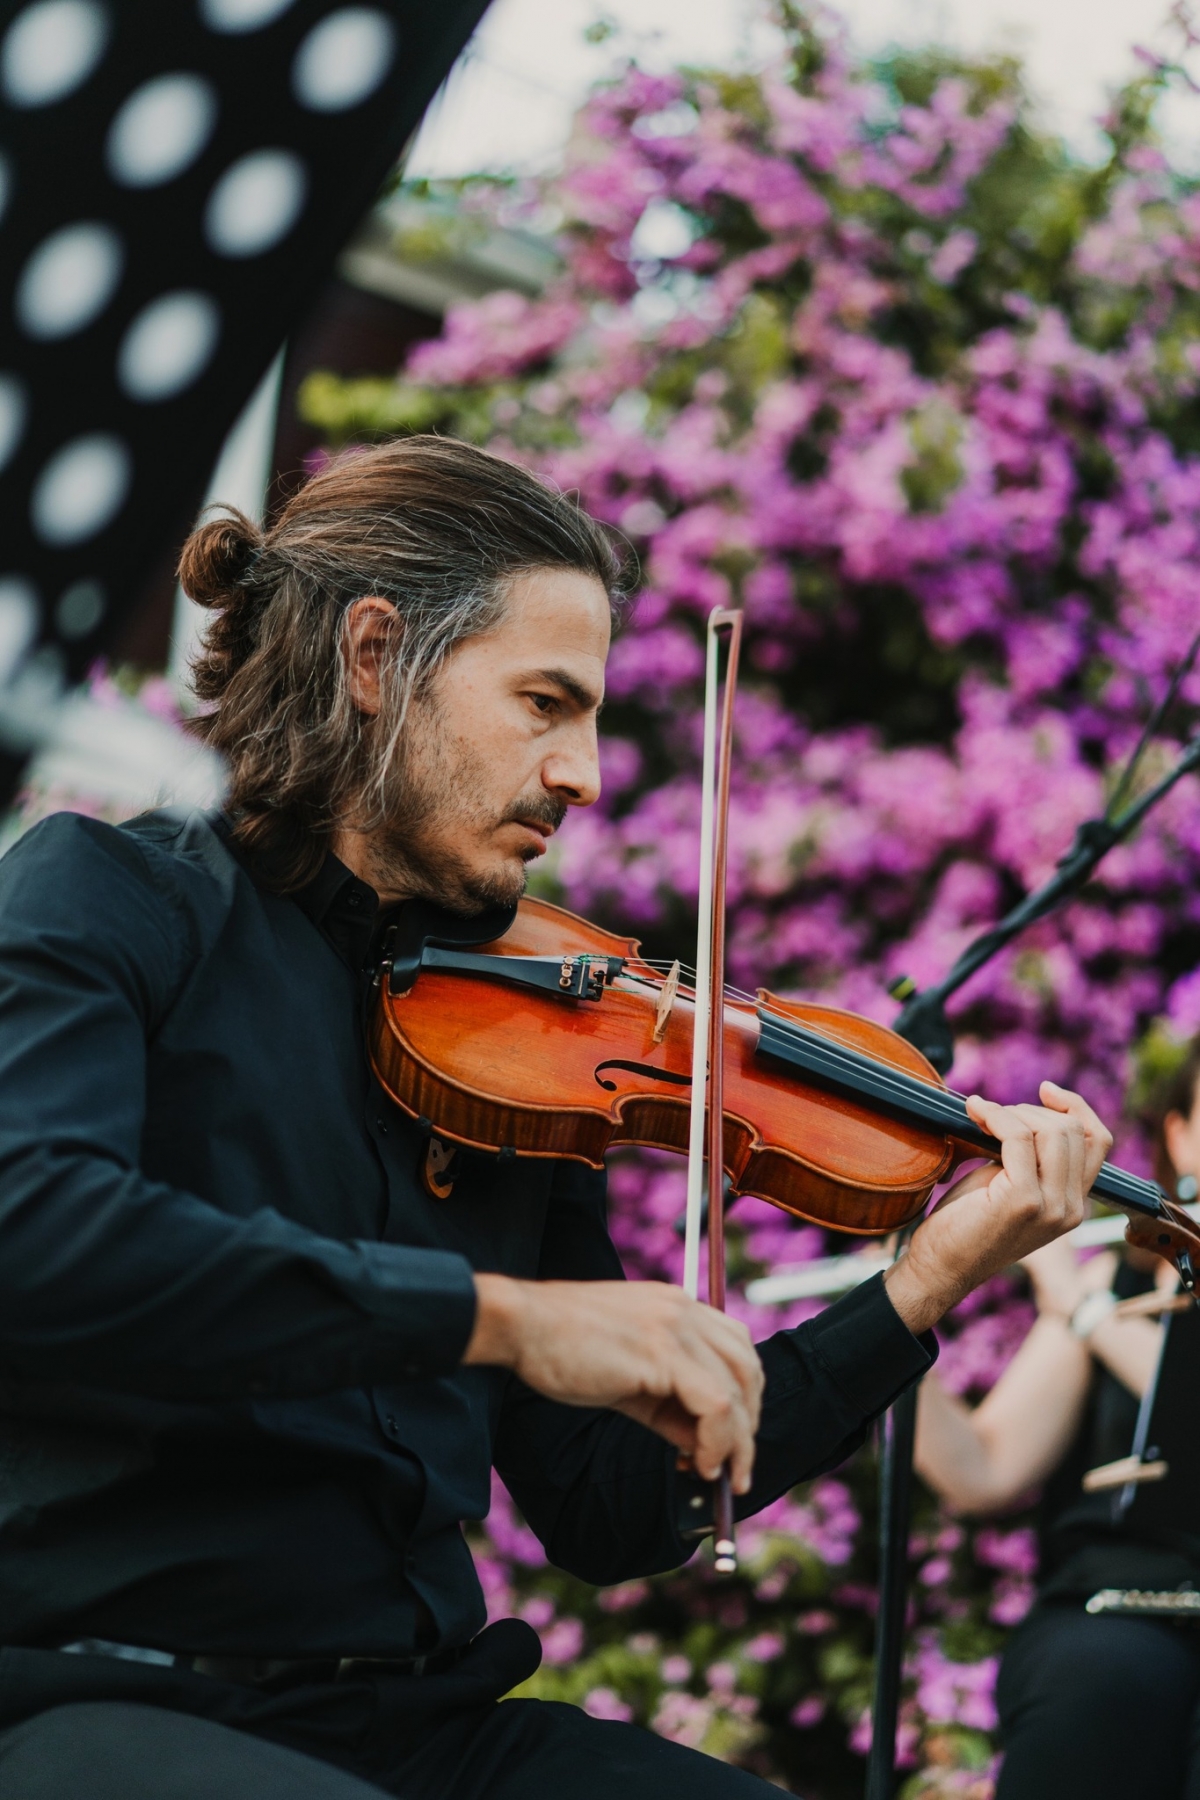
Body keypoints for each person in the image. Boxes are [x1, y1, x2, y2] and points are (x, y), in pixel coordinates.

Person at [0, 436, 1111, 1800]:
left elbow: (607, 1503)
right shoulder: (107, 898)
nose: (582, 770)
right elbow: (33, 1231)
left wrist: (926, 1280)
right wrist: (502, 1317)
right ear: (371, 656)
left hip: (424, 1728)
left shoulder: (521, 1034)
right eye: (543, 702)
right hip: (108, 1691)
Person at [915, 1038, 1200, 1800]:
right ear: (1179, 1134)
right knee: (1103, 1684)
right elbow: (982, 1470)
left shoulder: (1090, 1299)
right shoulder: (1121, 1279)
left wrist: (1075, 1305)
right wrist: (893, 1316)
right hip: (1117, 1612)